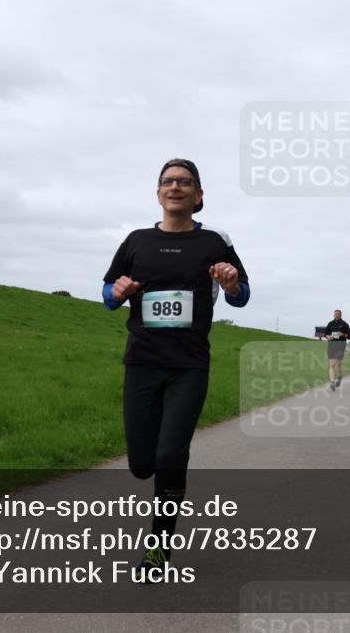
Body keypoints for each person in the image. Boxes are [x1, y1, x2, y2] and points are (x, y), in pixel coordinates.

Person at [102, 158, 250, 582]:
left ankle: (159, 546)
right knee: (142, 465)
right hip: (142, 363)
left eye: (185, 182)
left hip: (189, 365)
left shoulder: (214, 244)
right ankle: (161, 474)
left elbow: (242, 295)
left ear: (199, 196)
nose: (176, 186)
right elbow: (108, 296)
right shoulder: (136, 241)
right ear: (158, 193)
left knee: (170, 454)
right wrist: (118, 290)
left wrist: (230, 282)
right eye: (168, 181)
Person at [324, 309, 350, 390]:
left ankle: (340, 376)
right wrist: (327, 336)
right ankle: (332, 382)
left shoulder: (344, 324)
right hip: (331, 345)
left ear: (341, 315)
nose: (337, 315)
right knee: (332, 364)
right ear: (334, 315)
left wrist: (343, 334)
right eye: (335, 314)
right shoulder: (330, 323)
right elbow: (325, 333)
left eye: (338, 314)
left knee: (338, 364)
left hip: (340, 345)